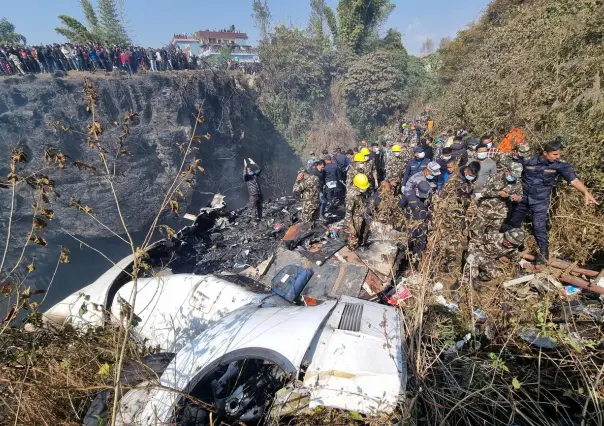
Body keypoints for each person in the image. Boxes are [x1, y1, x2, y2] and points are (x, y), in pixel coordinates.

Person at [506, 140, 598, 264]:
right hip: (523, 199)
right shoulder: (529, 160)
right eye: (555, 154)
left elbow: (574, 180)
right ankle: (511, 248)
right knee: (514, 223)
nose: (557, 156)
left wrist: (586, 193)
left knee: (539, 227)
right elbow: (511, 169)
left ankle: (544, 255)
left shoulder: (560, 165)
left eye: (559, 154)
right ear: (545, 153)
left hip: (540, 201)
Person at [468, 162, 523, 241]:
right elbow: (483, 192)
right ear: (507, 171)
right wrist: (498, 193)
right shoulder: (494, 177)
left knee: (492, 237)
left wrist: (518, 198)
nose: (514, 178)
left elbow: (520, 197)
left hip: (500, 214)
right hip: (485, 210)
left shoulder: (517, 183)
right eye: (513, 175)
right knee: (476, 232)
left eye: (516, 176)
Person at [400, 180, 432, 258]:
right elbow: (400, 206)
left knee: (420, 247)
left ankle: (416, 264)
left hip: (423, 226)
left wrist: (427, 222)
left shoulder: (430, 195)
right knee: (406, 245)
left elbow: (432, 210)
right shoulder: (408, 194)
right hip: (410, 225)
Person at [345, 174, 371, 249]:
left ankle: (359, 244)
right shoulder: (351, 195)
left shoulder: (360, 192)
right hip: (354, 219)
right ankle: (351, 249)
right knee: (353, 237)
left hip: (360, 216)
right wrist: (351, 226)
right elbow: (348, 213)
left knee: (361, 233)